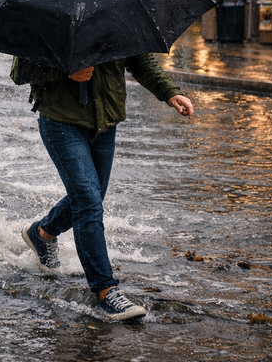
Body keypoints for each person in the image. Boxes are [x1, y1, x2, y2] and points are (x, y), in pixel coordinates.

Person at [11, 54, 193, 321]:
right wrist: (66, 70)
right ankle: (106, 291)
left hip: (105, 121)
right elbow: (20, 71)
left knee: (92, 197)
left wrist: (169, 92)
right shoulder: (44, 27)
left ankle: (43, 232)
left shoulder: (117, 26)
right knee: (88, 201)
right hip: (61, 122)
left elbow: (138, 58)